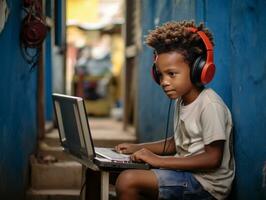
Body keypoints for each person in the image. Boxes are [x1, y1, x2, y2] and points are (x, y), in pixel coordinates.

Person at [114, 20, 235, 200]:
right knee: (100, 171)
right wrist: (137, 148)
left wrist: (159, 161)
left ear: (198, 69)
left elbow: (213, 159)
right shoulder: (182, 101)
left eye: (172, 74)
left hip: (206, 184)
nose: (164, 82)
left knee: (128, 180)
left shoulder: (210, 105)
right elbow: (175, 143)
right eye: (160, 75)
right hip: (186, 174)